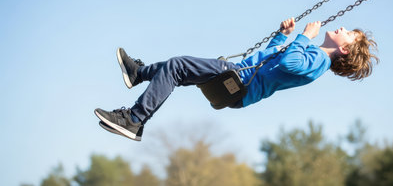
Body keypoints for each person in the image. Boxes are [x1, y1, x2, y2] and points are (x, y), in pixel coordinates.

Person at [94, 18, 378, 141]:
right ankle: (138, 76)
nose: (342, 28)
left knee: (178, 66)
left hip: (240, 84)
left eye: (349, 33)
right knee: (176, 68)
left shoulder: (317, 60)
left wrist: (303, 36)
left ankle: (134, 120)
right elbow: (271, 57)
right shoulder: (313, 55)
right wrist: (282, 35)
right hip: (237, 75)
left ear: (344, 48)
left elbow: (290, 62)